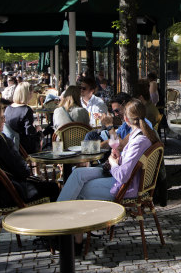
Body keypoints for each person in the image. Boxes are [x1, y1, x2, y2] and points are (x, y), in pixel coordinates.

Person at [57, 99, 158, 247]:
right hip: (119, 175)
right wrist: (116, 157)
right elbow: (118, 146)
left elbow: (123, 172)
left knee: (78, 189)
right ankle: (59, 221)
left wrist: (112, 162)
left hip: (124, 185)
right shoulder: (138, 132)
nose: (116, 113)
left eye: (118, 112)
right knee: (78, 174)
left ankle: (67, 236)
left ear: (125, 116)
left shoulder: (139, 138)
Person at [4, 82, 42, 154]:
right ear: (27, 94)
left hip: (10, 144)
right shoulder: (26, 110)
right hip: (23, 147)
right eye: (31, 93)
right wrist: (38, 131)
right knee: (40, 134)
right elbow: (29, 133)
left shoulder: (8, 108)